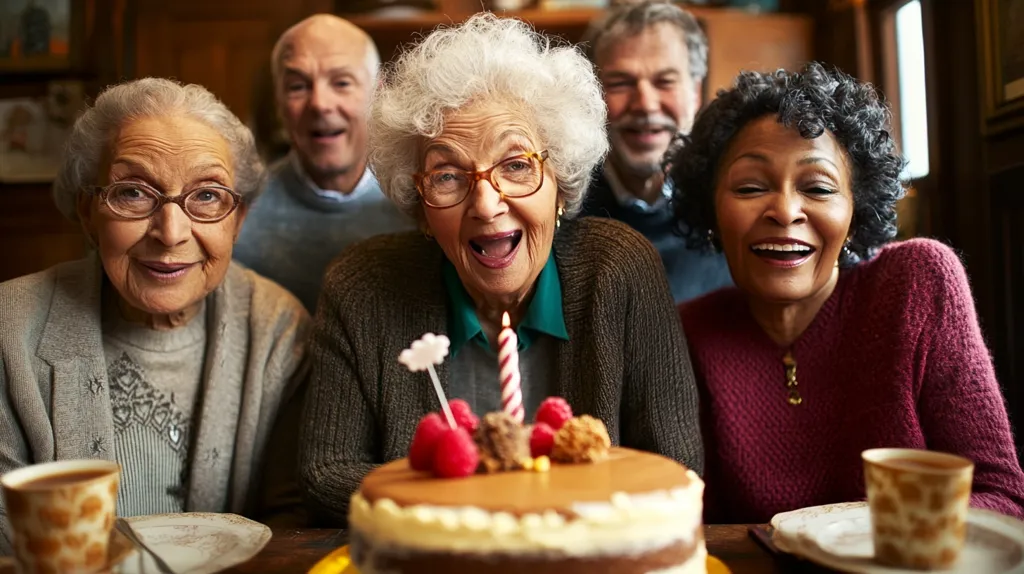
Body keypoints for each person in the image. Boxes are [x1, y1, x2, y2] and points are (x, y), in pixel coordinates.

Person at [299, 13, 702, 526]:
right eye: (447, 175)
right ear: (421, 206)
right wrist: (490, 499)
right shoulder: (363, 287)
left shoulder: (620, 270)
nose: (487, 204)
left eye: (516, 165)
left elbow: (674, 471)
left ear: (561, 179)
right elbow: (325, 475)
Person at [672, 62, 1024, 523]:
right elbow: (688, 527)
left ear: (855, 213)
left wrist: (844, 539)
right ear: (712, 212)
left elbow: (1002, 499)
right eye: (751, 187)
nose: (785, 210)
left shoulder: (917, 284)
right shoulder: (688, 332)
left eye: (817, 187)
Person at [0, 78, 311, 552]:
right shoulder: (9, 328)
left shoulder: (277, 329)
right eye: (133, 193)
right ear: (89, 210)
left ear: (238, 219)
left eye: (208, 196)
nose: (171, 232)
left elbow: (292, 523)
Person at [233, 14, 412, 312]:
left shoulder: (419, 207)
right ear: (278, 100)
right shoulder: (241, 215)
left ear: (377, 91)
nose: (319, 103)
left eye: (341, 83)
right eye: (297, 86)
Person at [580, 1, 732, 302]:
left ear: (695, 93)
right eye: (621, 83)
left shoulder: (731, 208)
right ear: (591, 95)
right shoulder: (558, 211)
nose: (646, 104)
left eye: (665, 82)